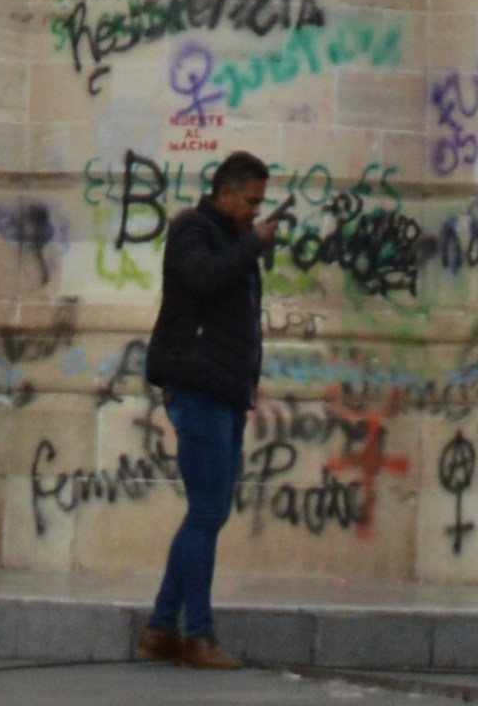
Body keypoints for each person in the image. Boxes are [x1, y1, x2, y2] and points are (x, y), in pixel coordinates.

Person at [134, 149, 271, 667]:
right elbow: (202, 280)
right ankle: (199, 635)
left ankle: (161, 629)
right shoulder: (193, 229)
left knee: (207, 513)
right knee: (207, 512)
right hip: (198, 389)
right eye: (251, 201)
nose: (256, 212)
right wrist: (253, 245)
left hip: (226, 392)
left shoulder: (233, 238)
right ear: (226, 193)